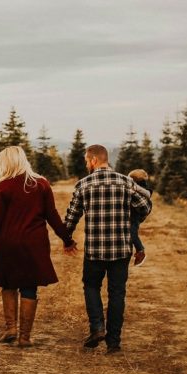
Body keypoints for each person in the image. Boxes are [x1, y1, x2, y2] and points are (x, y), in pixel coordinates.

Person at [0, 146, 76, 347]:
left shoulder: (4, 186)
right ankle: (24, 337)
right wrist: (67, 239)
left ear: (6, 163)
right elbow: (53, 216)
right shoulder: (41, 184)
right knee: (29, 287)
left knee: (9, 284)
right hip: (34, 244)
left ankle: (10, 328)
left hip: (7, 243)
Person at [63, 144, 152, 354]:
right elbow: (145, 206)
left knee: (91, 286)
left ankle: (97, 328)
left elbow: (71, 218)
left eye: (87, 160)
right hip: (121, 249)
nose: (86, 163)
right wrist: (130, 218)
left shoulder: (83, 184)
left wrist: (67, 240)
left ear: (94, 160)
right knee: (117, 293)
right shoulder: (125, 181)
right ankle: (114, 342)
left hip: (94, 249)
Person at [128, 168, 153, 267]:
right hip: (134, 213)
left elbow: (147, 194)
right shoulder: (139, 186)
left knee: (132, 233)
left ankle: (140, 251)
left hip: (135, 214)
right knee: (130, 233)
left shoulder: (140, 187)